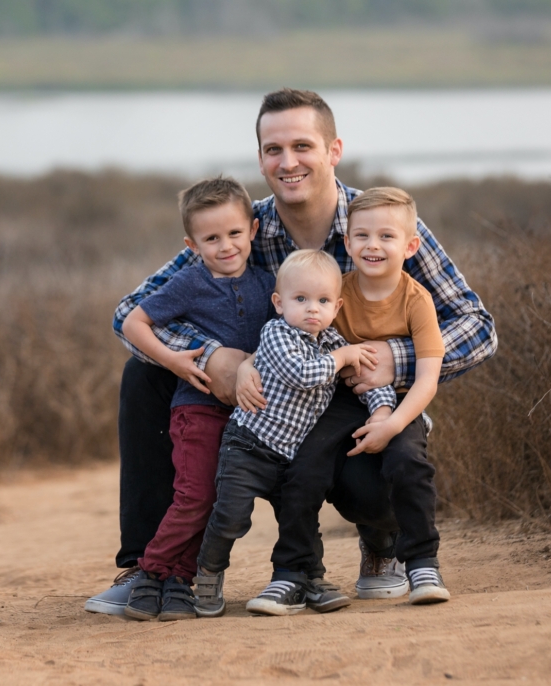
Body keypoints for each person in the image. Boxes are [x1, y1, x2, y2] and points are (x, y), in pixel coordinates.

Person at [84, 88, 496, 615]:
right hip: (263, 397)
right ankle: (150, 567)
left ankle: (383, 544)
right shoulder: (240, 228)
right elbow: (131, 313)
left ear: (333, 150)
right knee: (143, 377)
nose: (288, 161)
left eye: (303, 145)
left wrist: (395, 357)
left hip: (349, 401)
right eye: (273, 149)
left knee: (377, 477)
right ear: (260, 159)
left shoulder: (378, 224)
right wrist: (212, 356)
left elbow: (477, 326)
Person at [253, 187, 450, 613]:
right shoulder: (333, 295)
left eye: (386, 236)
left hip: (399, 401)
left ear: (411, 246)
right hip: (339, 399)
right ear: (347, 242)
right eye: (361, 236)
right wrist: (251, 365)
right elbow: (288, 339)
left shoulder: (418, 301)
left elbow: (428, 379)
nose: (372, 246)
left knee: (406, 462)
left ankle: (421, 564)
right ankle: (293, 573)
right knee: (303, 470)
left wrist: (393, 424)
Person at [192, 249, 393, 618]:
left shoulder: (335, 344)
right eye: (300, 299)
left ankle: (310, 578)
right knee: (232, 517)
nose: (312, 309)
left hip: (290, 456)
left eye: (322, 301)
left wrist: (383, 409)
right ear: (279, 303)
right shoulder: (276, 334)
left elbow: (368, 377)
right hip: (248, 447)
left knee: (301, 519)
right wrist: (343, 358)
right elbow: (303, 374)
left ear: (337, 307)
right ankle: (208, 571)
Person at [114, 176, 275, 621]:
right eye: (211, 238)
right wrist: (175, 361)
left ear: (253, 231)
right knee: (194, 495)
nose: (226, 246)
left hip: (248, 415)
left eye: (235, 234)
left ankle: (179, 580)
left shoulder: (269, 284)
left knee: (224, 501)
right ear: (192, 243)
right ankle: (151, 572)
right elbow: (133, 322)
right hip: (198, 407)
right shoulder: (189, 282)